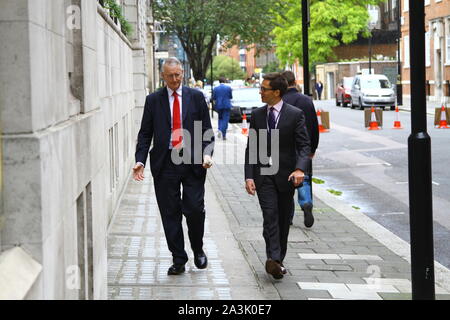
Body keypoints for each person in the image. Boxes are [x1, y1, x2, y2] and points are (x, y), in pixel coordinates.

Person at [133, 57, 215, 276]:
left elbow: (207, 130)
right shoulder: (153, 100)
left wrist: (207, 154)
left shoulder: (196, 97)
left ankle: (197, 248)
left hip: (192, 161)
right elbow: (145, 133)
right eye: (170, 75)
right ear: (163, 76)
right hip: (165, 162)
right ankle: (178, 257)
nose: (174, 79)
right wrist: (140, 160)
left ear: (183, 73)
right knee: (170, 213)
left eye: (178, 74)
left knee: (195, 209)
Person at [244, 72, 311, 280]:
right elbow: (252, 148)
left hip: (286, 176)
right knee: (270, 216)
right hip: (264, 176)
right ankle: (272, 258)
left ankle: (278, 259)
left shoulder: (295, 114)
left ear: (276, 92)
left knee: (283, 219)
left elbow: (304, 145)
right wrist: (249, 176)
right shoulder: (257, 115)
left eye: (264, 89)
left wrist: (300, 169)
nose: (260, 92)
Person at [282, 70, 319, 228]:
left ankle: (287, 216)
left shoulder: (279, 100)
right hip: (303, 146)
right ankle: (306, 202)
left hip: (283, 147)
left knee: (285, 181)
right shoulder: (306, 100)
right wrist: (312, 147)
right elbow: (313, 126)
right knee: (303, 176)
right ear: (294, 81)